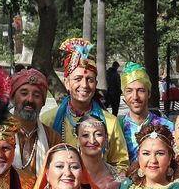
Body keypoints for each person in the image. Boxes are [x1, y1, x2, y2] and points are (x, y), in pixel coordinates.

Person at [45, 38, 130, 170]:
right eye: (78, 79)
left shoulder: (110, 123)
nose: (84, 85)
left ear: (95, 84)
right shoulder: (48, 120)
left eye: (89, 79)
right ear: (67, 83)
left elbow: (121, 165)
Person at [8, 68, 62, 179]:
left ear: (43, 102)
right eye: (24, 93)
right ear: (13, 97)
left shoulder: (52, 138)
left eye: (37, 95)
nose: (30, 99)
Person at [116, 62, 172, 156]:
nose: (135, 97)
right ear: (124, 95)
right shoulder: (116, 129)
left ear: (149, 93)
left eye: (141, 90)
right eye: (129, 91)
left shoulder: (167, 127)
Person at [74, 115, 124, 189]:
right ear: (77, 138)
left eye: (98, 134)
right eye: (85, 135)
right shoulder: (69, 174)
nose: (92, 140)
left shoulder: (117, 177)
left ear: (106, 137)